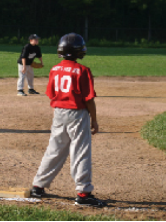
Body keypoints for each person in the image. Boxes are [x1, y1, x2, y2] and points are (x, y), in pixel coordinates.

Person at [30, 33, 107, 207]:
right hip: (77, 114)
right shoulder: (83, 70)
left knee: (54, 150)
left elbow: (51, 94)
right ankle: (83, 193)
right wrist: (94, 119)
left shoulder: (54, 69)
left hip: (58, 113)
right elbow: (89, 100)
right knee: (80, 152)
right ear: (76, 51)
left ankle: (38, 186)